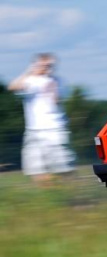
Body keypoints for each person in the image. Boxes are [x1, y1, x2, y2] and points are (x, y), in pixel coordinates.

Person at [8, 53, 75, 185]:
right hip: (33, 130)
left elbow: (57, 99)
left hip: (55, 129)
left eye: (50, 65)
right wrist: (30, 71)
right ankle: (52, 196)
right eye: (43, 64)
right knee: (35, 170)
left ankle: (74, 195)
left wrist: (50, 81)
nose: (47, 67)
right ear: (35, 64)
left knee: (64, 168)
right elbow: (13, 87)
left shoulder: (57, 81)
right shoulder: (29, 80)